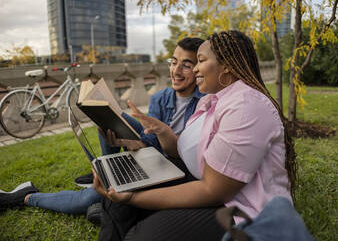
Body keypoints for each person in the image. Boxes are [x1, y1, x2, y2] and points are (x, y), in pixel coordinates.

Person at [93, 30, 298, 241]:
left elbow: (213, 190)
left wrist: (135, 198)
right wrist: (163, 130)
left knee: (140, 234)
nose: (196, 69)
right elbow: (181, 150)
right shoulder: (210, 101)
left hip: (241, 209)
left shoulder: (245, 107)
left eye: (200, 61)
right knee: (119, 190)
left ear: (226, 65)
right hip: (199, 180)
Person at [0, 37, 205, 218]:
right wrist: (138, 143)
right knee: (113, 117)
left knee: (85, 200)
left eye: (186, 65)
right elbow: (150, 142)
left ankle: (26, 197)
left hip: (172, 166)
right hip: (155, 155)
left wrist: (153, 138)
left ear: (198, 69)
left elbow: (181, 156)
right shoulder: (161, 98)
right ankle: (107, 169)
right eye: (173, 62)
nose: (176, 70)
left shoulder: (205, 102)